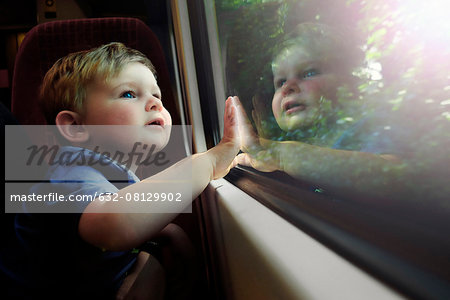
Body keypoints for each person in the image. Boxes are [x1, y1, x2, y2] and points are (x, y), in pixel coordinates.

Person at [9, 42, 241, 299]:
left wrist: (164, 231)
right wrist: (207, 163)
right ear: (75, 127)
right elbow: (114, 223)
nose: (154, 103)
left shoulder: (111, 175)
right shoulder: (70, 169)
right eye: (129, 94)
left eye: (157, 95)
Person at [235, 22, 448, 208]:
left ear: (350, 86)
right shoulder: (300, 143)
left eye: (309, 73)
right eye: (280, 81)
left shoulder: (366, 129)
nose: (288, 87)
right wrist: (266, 151)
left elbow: (393, 177)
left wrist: (279, 155)